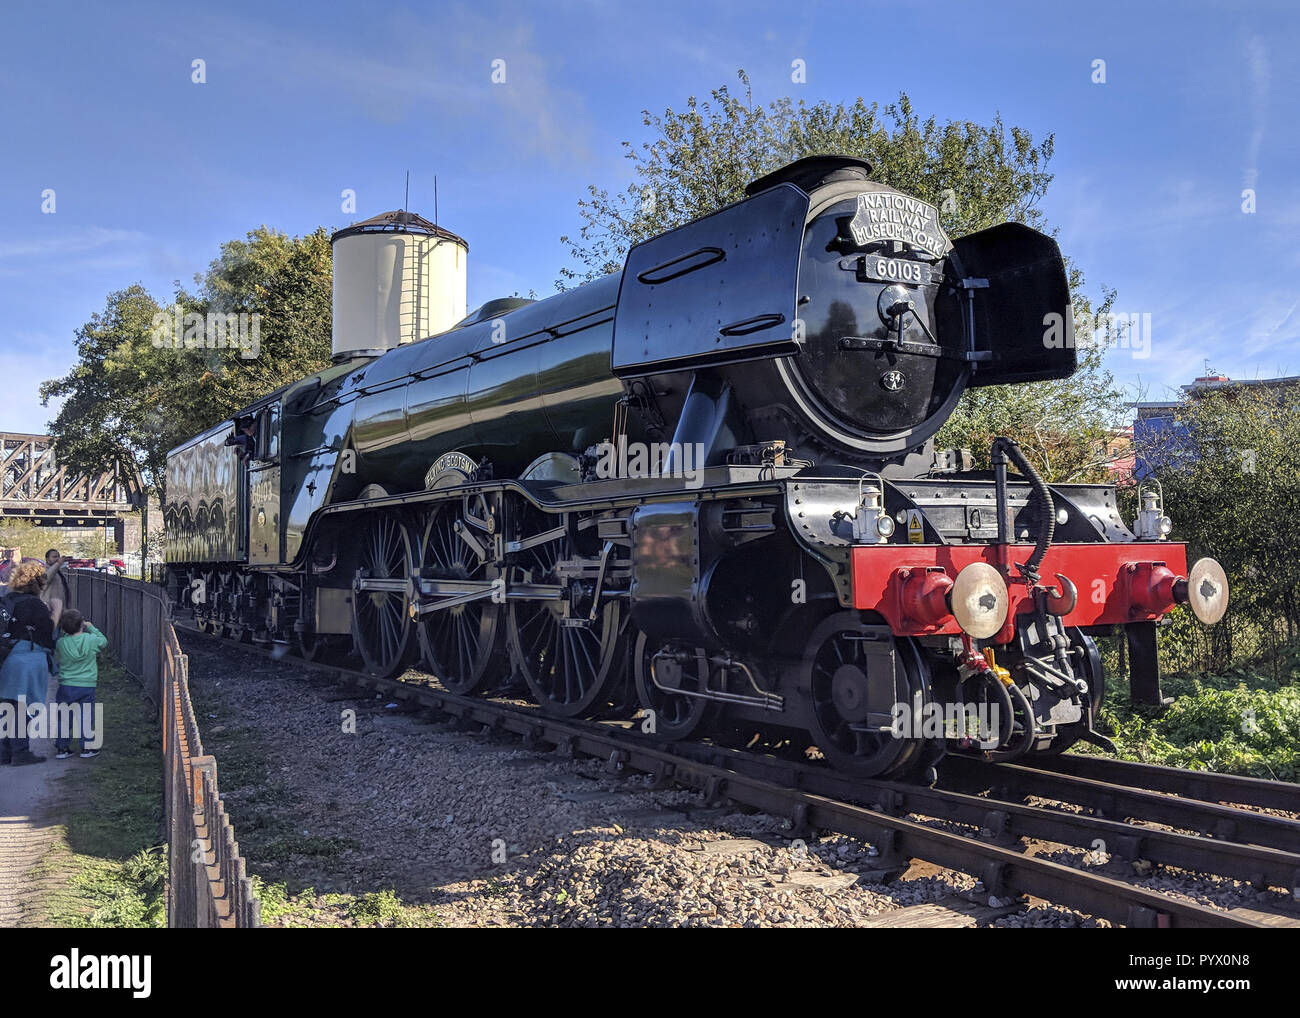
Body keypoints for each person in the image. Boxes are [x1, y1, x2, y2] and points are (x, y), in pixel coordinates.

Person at [0, 561, 55, 765]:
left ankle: (5, 752)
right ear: (38, 583)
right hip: (27, 660)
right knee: (24, 708)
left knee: (6, 707)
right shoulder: (35, 605)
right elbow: (48, 636)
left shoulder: (7, 600)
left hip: (5, 658)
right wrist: (55, 613)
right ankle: (21, 752)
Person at [52, 608, 108, 760]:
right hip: (86, 685)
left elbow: (57, 656)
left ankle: (62, 748)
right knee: (85, 716)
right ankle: (87, 747)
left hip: (66, 685)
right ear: (82, 624)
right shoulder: (91, 640)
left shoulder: (61, 643)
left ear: (63, 628)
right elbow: (104, 641)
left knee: (64, 716)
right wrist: (91, 628)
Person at [42, 547, 68, 629]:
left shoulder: (58, 571)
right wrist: (58, 564)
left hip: (60, 610)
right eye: (54, 557)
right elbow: (46, 578)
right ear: (47, 559)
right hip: (50, 610)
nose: (57, 559)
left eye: (58, 556)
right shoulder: (44, 570)